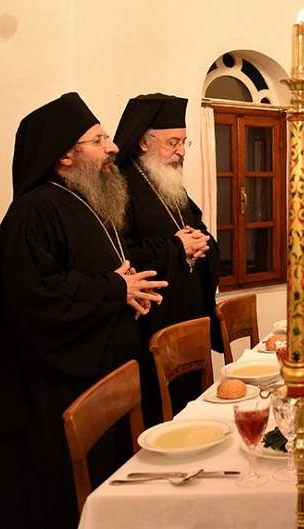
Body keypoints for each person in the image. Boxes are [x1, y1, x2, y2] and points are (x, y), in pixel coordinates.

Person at [0, 93, 167, 529]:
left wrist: (125, 291)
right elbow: (32, 297)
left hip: (96, 374)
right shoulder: (34, 211)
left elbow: (94, 276)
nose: (112, 147)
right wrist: (115, 288)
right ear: (64, 156)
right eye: (98, 140)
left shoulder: (88, 202)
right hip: (48, 394)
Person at [113, 93, 221, 425]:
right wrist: (176, 247)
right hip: (153, 321)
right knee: (161, 415)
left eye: (184, 142)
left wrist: (202, 243)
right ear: (143, 142)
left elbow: (196, 227)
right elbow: (120, 253)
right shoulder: (121, 187)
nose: (180, 151)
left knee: (193, 408)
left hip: (187, 309)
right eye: (172, 143)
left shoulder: (170, 183)